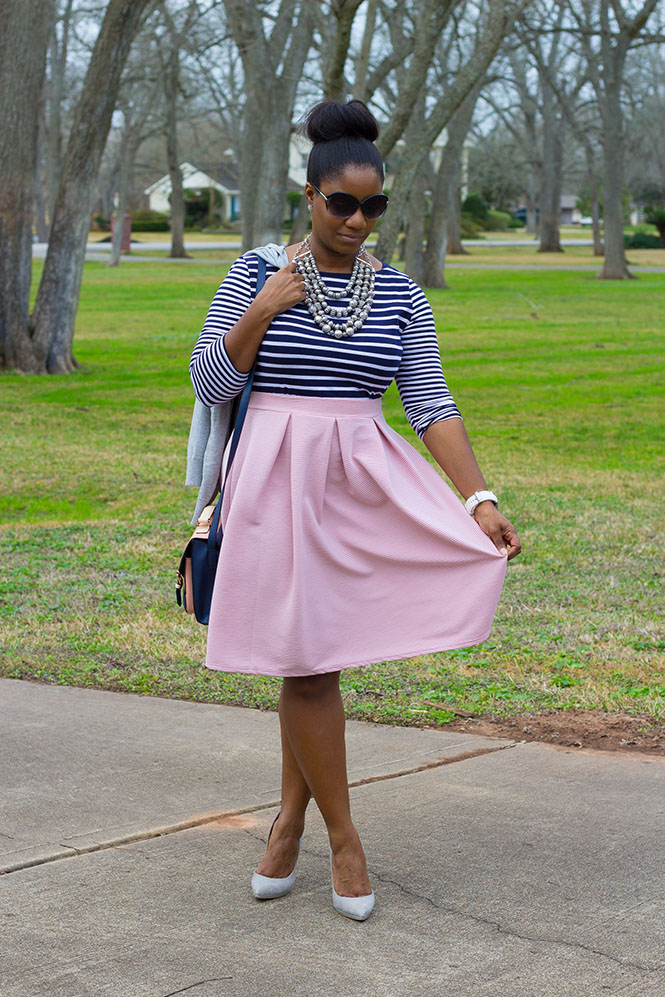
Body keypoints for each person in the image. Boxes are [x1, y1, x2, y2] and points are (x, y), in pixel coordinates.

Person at [189, 99, 521, 922]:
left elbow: (430, 402)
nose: (359, 220)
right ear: (308, 196)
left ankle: (290, 821)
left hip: (360, 485)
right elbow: (208, 382)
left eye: (374, 206)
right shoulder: (254, 271)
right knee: (305, 663)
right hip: (273, 482)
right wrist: (266, 306)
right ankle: (342, 838)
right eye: (343, 203)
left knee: (316, 660)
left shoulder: (400, 292)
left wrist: (476, 498)